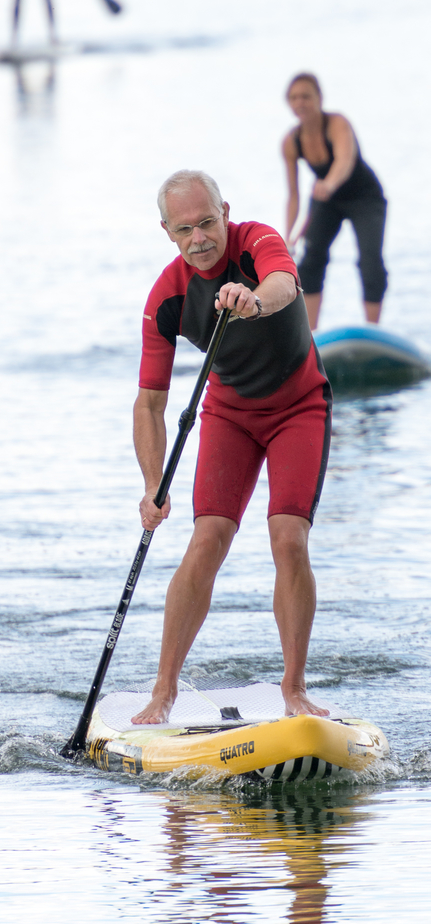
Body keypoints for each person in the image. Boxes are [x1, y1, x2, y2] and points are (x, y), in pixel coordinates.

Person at [131, 169, 332, 725]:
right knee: (206, 541)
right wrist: (153, 484)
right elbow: (149, 405)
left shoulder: (258, 240)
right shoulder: (166, 298)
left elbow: (285, 284)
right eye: (185, 228)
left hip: (299, 407)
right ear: (168, 232)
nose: (200, 238)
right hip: (230, 416)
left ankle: (294, 690)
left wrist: (254, 299)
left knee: (288, 539)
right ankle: (163, 691)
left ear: (225, 212)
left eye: (208, 222)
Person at [282, 72, 387, 330]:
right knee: (311, 260)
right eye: (294, 98)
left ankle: (373, 330)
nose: (301, 103)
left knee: (369, 261)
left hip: (365, 198)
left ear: (319, 98)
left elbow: (344, 161)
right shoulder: (291, 142)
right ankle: (311, 335)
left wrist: (328, 184)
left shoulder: (337, 124)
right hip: (327, 202)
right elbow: (293, 195)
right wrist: (288, 237)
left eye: (306, 96)